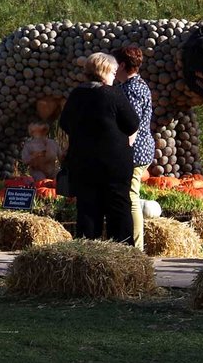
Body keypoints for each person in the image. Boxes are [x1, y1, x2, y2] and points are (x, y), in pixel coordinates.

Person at [59, 52, 140, 242]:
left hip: (83, 161)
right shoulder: (112, 94)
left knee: (87, 209)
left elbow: (64, 123)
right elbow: (132, 124)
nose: (114, 76)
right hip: (114, 163)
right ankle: (121, 253)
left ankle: (87, 252)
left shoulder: (77, 94)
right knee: (118, 209)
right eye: (112, 72)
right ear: (103, 72)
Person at [116, 45, 155, 250]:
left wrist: (125, 147)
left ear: (122, 64)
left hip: (135, 150)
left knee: (131, 196)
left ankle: (136, 248)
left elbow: (132, 122)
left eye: (116, 65)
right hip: (131, 149)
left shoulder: (134, 88)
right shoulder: (125, 86)